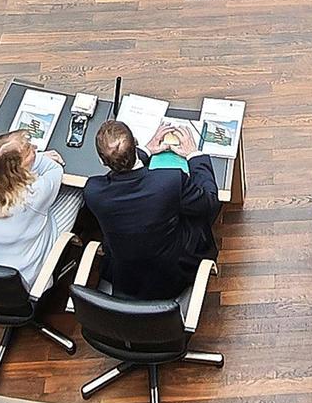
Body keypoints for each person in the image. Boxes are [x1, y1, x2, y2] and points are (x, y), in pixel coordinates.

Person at [80, 116, 221, 298]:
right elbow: (210, 202)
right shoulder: (170, 181)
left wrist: (145, 151)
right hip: (173, 275)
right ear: (135, 145)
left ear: (102, 161)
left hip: (126, 278)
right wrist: (195, 155)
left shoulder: (94, 191)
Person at [0, 131, 73, 289]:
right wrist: (39, 158)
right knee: (73, 193)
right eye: (29, 151)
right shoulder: (32, 194)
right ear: (17, 171)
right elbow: (55, 169)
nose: (34, 148)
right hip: (19, 282)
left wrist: (28, 160)